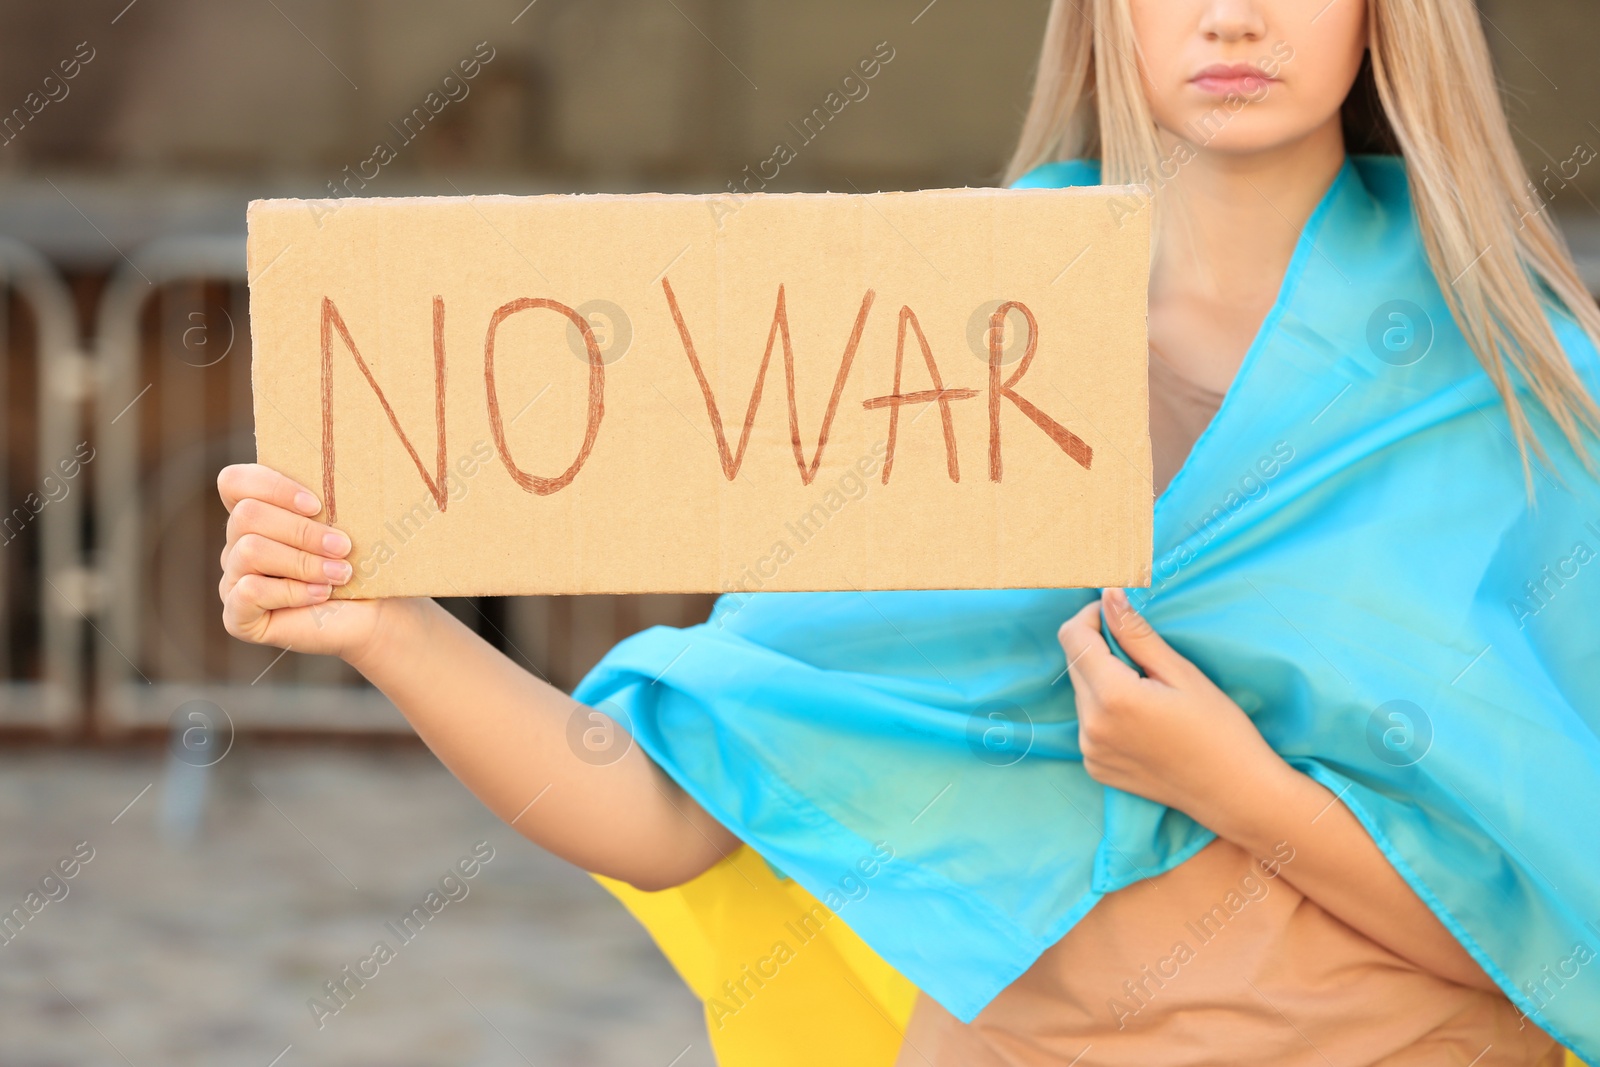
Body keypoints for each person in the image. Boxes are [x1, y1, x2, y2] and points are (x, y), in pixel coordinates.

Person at [217, 0, 1600, 1062]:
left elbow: (1559, 932)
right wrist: (384, 627)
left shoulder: (1521, 382)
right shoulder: (945, 326)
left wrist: (1238, 789)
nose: (1229, 13)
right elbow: (665, 810)